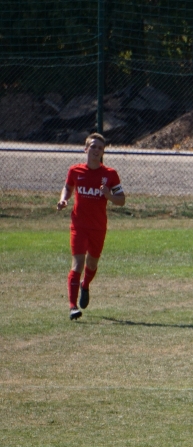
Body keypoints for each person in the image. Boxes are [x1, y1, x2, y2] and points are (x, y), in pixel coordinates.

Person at [56, 133, 126, 320]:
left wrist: (108, 195)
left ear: (103, 152)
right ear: (86, 149)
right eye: (93, 146)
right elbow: (68, 187)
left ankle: (85, 285)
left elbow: (122, 200)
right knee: (77, 263)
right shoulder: (75, 171)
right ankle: (72, 307)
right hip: (78, 225)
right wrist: (63, 200)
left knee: (92, 263)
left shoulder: (110, 175)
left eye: (100, 148)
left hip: (98, 227)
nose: (96, 150)